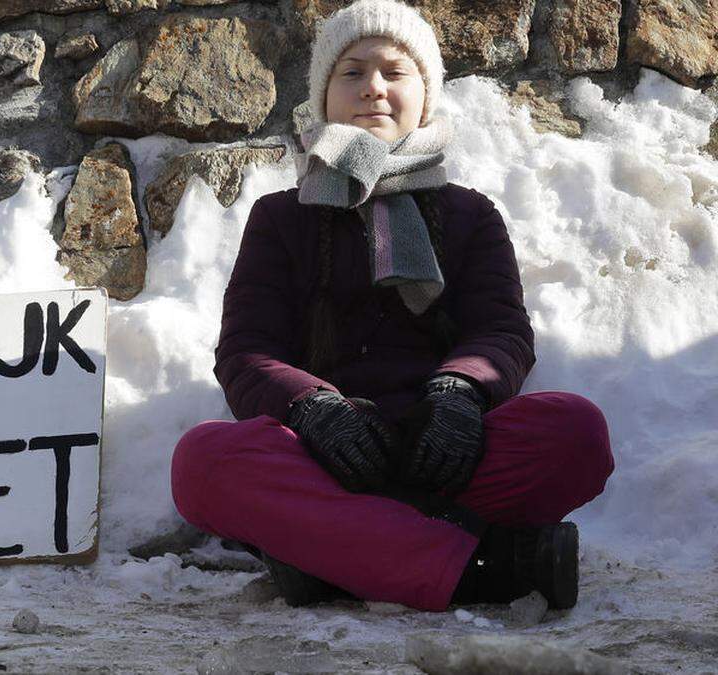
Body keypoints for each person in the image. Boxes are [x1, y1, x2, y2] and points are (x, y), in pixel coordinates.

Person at [170, 0, 613, 612]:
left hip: (452, 453)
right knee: (203, 463)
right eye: (352, 72)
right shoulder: (280, 217)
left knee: (576, 431)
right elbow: (247, 352)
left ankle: (331, 558)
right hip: (323, 458)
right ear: (324, 93)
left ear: (424, 95)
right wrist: (316, 409)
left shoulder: (469, 214)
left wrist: (459, 396)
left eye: (394, 72)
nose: (372, 88)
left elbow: (502, 332)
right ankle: (491, 568)